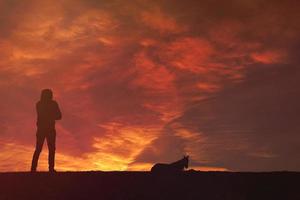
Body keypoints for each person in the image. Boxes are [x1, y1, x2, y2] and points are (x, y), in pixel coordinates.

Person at [31, 89, 62, 172]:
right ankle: (36, 168)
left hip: (46, 129)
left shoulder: (41, 104)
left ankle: (47, 168)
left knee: (48, 149)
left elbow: (59, 116)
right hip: (45, 129)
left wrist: (50, 115)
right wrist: (51, 115)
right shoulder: (42, 104)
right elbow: (57, 116)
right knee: (41, 149)